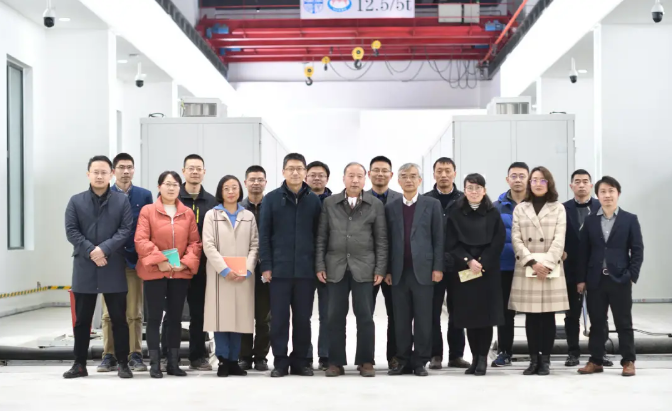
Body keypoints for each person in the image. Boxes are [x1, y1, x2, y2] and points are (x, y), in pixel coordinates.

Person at [63, 155, 134, 379]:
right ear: (88, 174)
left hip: (112, 264)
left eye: (104, 172)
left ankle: (123, 363)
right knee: (82, 320)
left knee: (119, 319)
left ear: (111, 174)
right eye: (96, 172)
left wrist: (104, 249)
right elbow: (71, 231)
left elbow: (125, 230)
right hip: (85, 266)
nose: (100, 176)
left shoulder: (121, 201)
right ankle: (79, 364)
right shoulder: (76, 201)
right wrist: (91, 251)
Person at [315, 162, 388, 377]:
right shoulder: (330, 203)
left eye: (359, 176)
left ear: (365, 179)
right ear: (343, 178)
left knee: (365, 316)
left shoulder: (375, 204)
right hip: (334, 267)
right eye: (351, 176)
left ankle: (366, 361)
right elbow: (321, 237)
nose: (355, 180)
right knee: (334, 316)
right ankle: (335, 362)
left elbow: (381, 239)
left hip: (364, 268)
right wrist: (320, 265)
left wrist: (380, 268)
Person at [259, 153, 323, 377]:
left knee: (303, 319)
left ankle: (301, 361)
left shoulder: (314, 200)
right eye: (291, 169)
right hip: (279, 271)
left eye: (299, 169)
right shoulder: (271, 199)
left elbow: (318, 236)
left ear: (305, 172)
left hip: (306, 271)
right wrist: (266, 265)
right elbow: (264, 235)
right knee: (279, 319)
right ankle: (280, 361)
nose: (295, 172)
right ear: (283, 172)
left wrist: (317, 266)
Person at [135, 171, 202, 378]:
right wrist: (161, 261)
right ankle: (155, 364)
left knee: (175, 318)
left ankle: (173, 363)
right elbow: (141, 240)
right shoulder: (148, 211)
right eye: (167, 184)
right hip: (155, 272)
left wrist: (184, 263)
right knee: (154, 318)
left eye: (175, 184)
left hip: (179, 274)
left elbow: (195, 242)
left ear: (179, 188)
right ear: (159, 187)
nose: (171, 188)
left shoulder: (187, 213)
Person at [577, 176, 643, 377]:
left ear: (618, 194)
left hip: (620, 279)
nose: (607, 195)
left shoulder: (629, 219)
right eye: (603, 191)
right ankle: (596, 360)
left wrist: (631, 275)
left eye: (611, 191)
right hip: (595, 280)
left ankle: (628, 361)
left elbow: (637, 250)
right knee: (597, 322)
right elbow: (583, 252)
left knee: (623, 322)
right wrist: (581, 279)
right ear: (597, 195)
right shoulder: (590, 221)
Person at [97, 153, 154, 373]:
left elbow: (149, 227)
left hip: (134, 261)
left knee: (134, 312)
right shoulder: (104, 194)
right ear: (114, 171)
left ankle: (135, 354)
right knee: (108, 313)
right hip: (109, 261)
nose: (126, 171)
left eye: (130, 167)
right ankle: (109, 355)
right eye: (121, 167)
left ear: (134, 170)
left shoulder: (144, 195)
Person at [385, 163, 444, 377]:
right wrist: (387, 270)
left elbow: (439, 238)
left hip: (424, 271)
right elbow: (387, 240)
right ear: (398, 180)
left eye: (413, 176)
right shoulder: (390, 207)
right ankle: (402, 360)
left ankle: (420, 360)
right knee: (400, 319)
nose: (408, 180)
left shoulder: (432, 204)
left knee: (423, 319)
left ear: (420, 180)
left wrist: (438, 267)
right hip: (398, 271)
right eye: (404, 176)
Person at [509, 166, 569, 376]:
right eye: (534, 180)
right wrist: (532, 262)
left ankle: (546, 360)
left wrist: (548, 264)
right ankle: (533, 359)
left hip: (551, 268)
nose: (537, 183)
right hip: (528, 267)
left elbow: (560, 239)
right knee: (532, 317)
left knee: (548, 317)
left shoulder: (558, 208)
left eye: (542, 180)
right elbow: (516, 238)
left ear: (549, 183)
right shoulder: (520, 208)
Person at [445, 173, 505, 376]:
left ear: (484, 190)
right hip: (464, 271)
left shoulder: (493, 213)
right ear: (464, 190)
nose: (474, 192)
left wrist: (482, 262)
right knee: (469, 317)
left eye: (478, 188)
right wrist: (468, 260)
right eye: (470, 188)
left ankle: (482, 359)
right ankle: (474, 358)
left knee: (485, 317)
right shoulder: (455, 212)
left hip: (487, 271)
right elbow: (451, 242)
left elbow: (498, 241)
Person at [202, 175, 259, 377]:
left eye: (234, 187)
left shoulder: (248, 216)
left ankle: (234, 360)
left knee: (239, 318)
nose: (231, 192)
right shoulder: (212, 215)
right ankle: (223, 360)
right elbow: (208, 245)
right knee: (221, 318)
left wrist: (248, 268)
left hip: (243, 276)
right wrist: (225, 270)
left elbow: (255, 245)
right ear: (220, 191)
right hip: (220, 275)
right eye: (226, 188)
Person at [562, 169, 612, 367]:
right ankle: (573, 352)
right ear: (571, 186)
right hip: (571, 269)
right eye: (577, 181)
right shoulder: (562, 208)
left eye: (585, 181)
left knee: (599, 314)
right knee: (572, 314)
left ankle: (600, 353)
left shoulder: (602, 207)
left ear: (591, 185)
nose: (581, 185)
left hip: (597, 269)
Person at [423, 157, 469, 370]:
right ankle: (435, 354)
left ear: (454, 173)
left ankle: (456, 355)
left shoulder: (464, 199)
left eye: (447, 171)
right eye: (439, 171)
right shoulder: (425, 200)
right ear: (433, 174)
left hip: (460, 264)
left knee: (458, 311)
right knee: (432, 311)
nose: (443, 175)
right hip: (433, 265)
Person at [174, 154, 218, 371]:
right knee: (172, 313)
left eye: (198, 168)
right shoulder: (172, 198)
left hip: (202, 268)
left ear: (204, 172)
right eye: (190, 168)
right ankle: (168, 356)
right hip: (176, 266)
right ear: (183, 171)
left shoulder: (212, 202)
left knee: (199, 313)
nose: (194, 172)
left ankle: (198, 356)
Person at [491, 162, 529, 367]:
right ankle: (504, 351)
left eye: (522, 176)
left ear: (528, 179)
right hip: (504, 267)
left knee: (534, 311)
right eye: (514, 176)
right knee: (505, 313)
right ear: (507, 180)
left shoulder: (537, 205)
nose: (518, 180)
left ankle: (537, 352)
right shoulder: (496, 207)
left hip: (531, 267)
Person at [367, 155, 402, 369]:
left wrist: (388, 268)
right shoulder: (360, 198)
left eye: (384, 170)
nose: (380, 174)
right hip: (366, 268)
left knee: (396, 315)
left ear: (391, 174)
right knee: (365, 316)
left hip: (394, 269)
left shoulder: (400, 199)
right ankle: (366, 359)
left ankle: (394, 357)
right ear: (369, 174)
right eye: (376, 170)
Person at [238, 166, 271, 372]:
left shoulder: (272, 205)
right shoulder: (238, 208)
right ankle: (243, 356)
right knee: (244, 314)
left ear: (265, 182)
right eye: (252, 179)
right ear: (245, 183)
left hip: (265, 269)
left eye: (260, 179)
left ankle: (261, 356)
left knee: (264, 316)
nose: (256, 183)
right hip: (243, 267)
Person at [305, 160, 333, 370]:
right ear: (306, 177)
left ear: (327, 179)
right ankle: (305, 356)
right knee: (303, 314)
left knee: (328, 314)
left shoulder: (335, 202)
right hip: (304, 264)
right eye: (312, 174)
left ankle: (325, 355)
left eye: (321, 175)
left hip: (330, 265)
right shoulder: (299, 200)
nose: (316, 178)